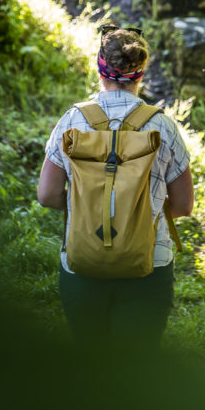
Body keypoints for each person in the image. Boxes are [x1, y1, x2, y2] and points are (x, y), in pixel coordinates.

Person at [37, 24, 195, 350]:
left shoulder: (72, 121)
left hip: (82, 265)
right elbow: (183, 205)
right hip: (149, 265)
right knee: (137, 367)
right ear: (140, 73)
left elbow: (47, 195)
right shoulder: (162, 125)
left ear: (100, 67)